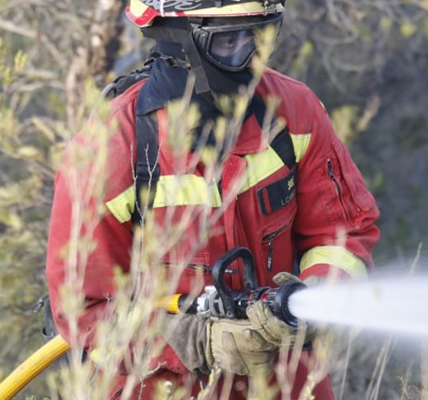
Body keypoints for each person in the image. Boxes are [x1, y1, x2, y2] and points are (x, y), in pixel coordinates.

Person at [45, 0, 380, 398]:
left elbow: (343, 233)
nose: (250, 60)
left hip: (285, 383)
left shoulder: (294, 112)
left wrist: (310, 299)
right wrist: (196, 340)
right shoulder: (107, 153)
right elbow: (84, 310)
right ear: (176, 43)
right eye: (229, 43)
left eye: (259, 38)